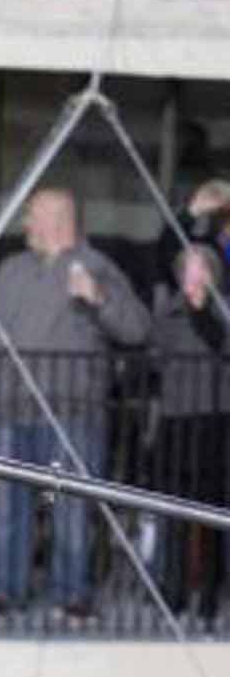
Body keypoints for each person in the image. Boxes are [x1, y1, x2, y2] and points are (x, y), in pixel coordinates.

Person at [0, 188, 150, 619]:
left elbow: (137, 329)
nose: (25, 226)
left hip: (72, 413)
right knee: (7, 508)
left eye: (31, 217)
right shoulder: (10, 269)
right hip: (10, 410)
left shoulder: (96, 266)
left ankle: (72, 594)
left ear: (59, 220)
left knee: (69, 511)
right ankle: (4, 591)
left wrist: (98, 297)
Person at [149, 245, 230, 622]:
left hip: (214, 419)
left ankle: (211, 594)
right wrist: (179, 306)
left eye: (200, 270)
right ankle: (175, 590)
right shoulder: (169, 311)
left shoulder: (223, 311)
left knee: (211, 513)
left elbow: (221, 343)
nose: (193, 277)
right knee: (174, 513)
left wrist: (201, 308)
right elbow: (154, 352)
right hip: (175, 418)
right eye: (187, 270)